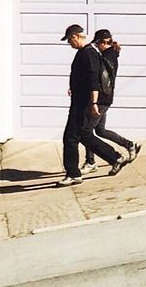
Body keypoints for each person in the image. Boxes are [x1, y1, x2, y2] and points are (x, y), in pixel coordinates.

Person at [58, 23, 126, 186]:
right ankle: (115, 157)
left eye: (69, 40)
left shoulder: (88, 53)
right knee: (83, 134)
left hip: (83, 103)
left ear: (75, 37)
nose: (69, 44)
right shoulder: (87, 52)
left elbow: (94, 80)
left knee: (70, 137)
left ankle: (73, 174)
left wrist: (94, 103)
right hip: (81, 101)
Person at [83, 29, 140, 170]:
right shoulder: (110, 54)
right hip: (105, 98)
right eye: (99, 43)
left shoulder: (107, 56)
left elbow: (97, 77)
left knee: (86, 131)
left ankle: (91, 162)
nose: (100, 46)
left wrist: (93, 100)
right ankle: (129, 144)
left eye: (101, 43)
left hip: (101, 99)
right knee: (100, 131)